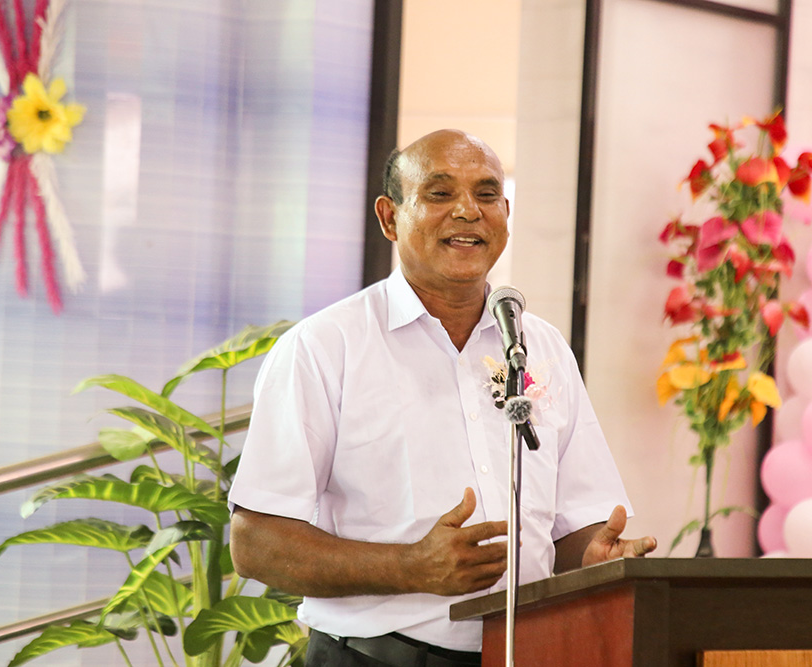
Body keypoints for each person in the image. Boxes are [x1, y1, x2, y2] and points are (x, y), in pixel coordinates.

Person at [228, 129, 657, 667]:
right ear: (389, 217)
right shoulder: (324, 348)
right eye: (439, 194)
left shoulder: (539, 346)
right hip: (374, 658)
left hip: (529, 652)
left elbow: (577, 522)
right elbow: (256, 543)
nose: (467, 212)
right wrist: (410, 566)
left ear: (505, 212)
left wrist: (592, 556)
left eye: (486, 194)